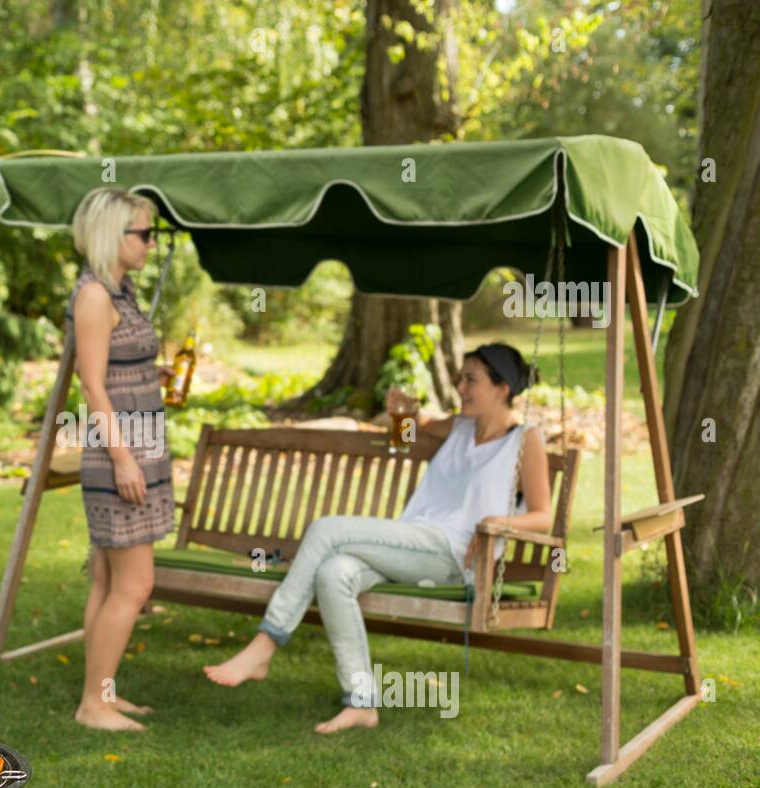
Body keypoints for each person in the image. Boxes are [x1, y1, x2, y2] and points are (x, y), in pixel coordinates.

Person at [203, 342, 553, 734]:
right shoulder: (459, 427)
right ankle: (361, 703)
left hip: (454, 557)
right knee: (334, 573)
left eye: (471, 380)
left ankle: (266, 645)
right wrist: (401, 414)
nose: (460, 388)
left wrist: (496, 520)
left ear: (502, 388)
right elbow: (402, 442)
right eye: (461, 378)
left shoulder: (525, 439)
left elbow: (544, 515)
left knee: (325, 529)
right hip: (413, 543)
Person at [67, 187, 177, 732]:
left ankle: (102, 693)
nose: (152, 242)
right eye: (143, 233)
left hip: (140, 449)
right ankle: (94, 705)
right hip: (122, 456)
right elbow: (92, 385)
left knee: (110, 583)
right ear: (115, 234)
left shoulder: (120, 292)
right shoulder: (95, 297)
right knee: (134, 586)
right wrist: (124, 460)